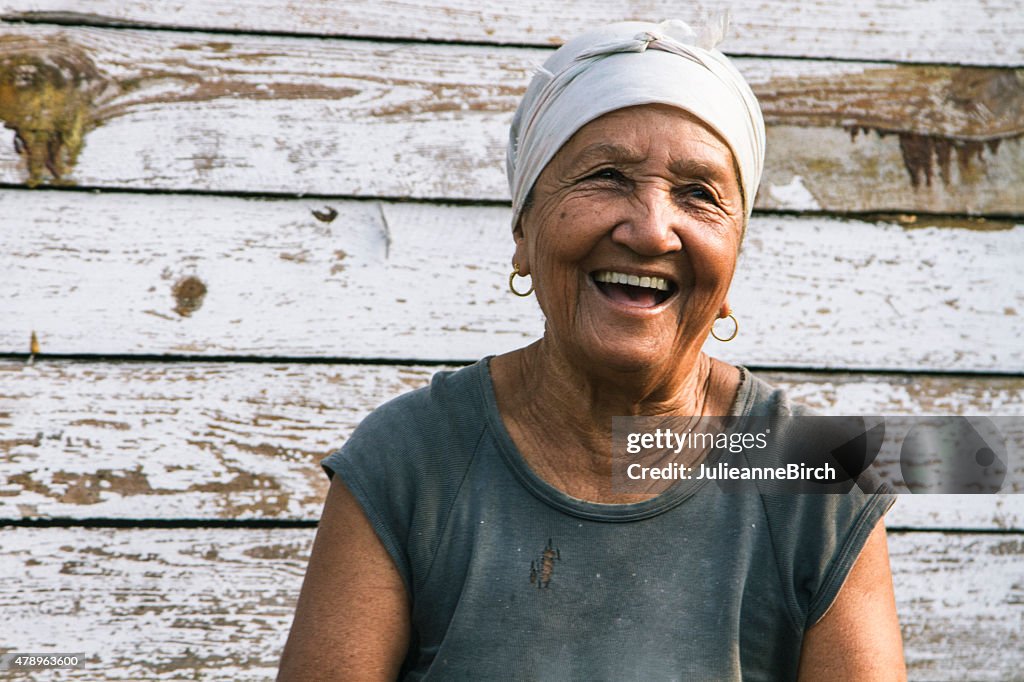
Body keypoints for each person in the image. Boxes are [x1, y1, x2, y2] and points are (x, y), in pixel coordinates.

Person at [278, 19, 906, 681]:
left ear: (733, 258)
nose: (652, 229)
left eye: (698, 194)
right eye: (607, 176)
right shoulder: (411, 459)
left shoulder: (820, 473)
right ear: (523, 228)